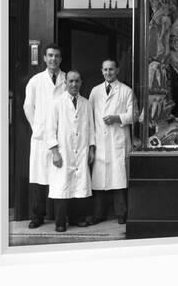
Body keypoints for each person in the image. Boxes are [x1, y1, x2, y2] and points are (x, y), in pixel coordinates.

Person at [45, 71, 95, 232]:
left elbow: (91, 128)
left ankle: (77, 218)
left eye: (77, 81)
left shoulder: (86, 103)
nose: (74, 84)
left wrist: (92, 148)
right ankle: (60, 222)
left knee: (79, 186)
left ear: (81, 83)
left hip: (81, 150)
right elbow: (50, 130)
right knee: (62, 186)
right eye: (71, 81)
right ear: (65, 83)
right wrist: (55, 152)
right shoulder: (57, 103)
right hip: (63, 151)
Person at [23, 43, 66, 229]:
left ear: (60, 59)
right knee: (39, 178)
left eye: (57, 56)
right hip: (41, 138)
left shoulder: (67, 79)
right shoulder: (35, 81)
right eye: (50, 55)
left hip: (60, 136)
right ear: (44, 58)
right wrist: (37, 128)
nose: (53, 59)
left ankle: (60, 219)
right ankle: (37, 216)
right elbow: (27, 106)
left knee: (60, 178)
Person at [89, 59, 136, 225]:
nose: (108, 72)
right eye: (105, 70)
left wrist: (117, 118)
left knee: (118, 179)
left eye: (111, 69)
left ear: (117, 70)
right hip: (101, 142)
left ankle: (121, 213)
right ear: (101, 71)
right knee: (99, 180)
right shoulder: (95, 92)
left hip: (118, 140)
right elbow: (90, 119)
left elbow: (134, 115)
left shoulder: (126, 91)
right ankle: (98, 214)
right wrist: (92, 145)